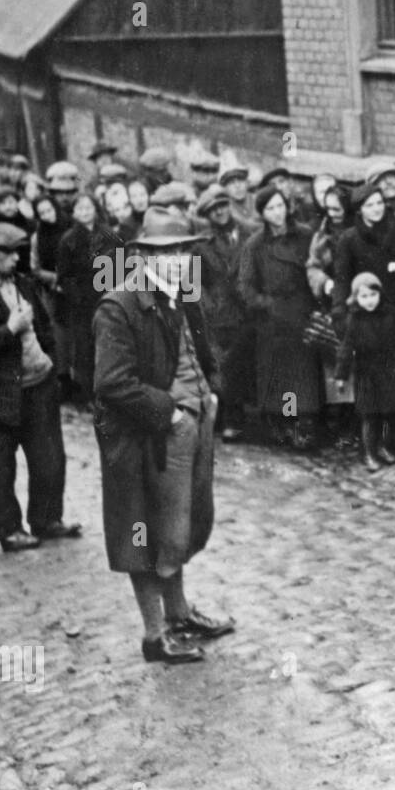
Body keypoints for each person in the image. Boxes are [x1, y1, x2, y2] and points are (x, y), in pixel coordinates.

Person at [93, 208, 234, 664]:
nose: (174, 260)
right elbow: (112, 383)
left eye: (180, 250)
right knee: (145, 530)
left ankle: (179, 612)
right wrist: (167, 411)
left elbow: (204, 350)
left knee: (183, 522)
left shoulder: (183, 295)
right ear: (143, 256)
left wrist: (211, 391)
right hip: (145, 438)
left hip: (193, 423)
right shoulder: (120, 306)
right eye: (162, 252)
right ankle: (155, 635)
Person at [0, 223, 80, 552]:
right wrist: (9, 329)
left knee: (49, 458)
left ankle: (47, 520)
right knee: (1, 461)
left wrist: (50, 361)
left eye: (17, 252)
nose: (15, 258)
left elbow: (44, 326)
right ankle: (8, 530)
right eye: (8, 253)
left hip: (38, 384)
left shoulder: (23, 283)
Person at [238, 185, 324, 450]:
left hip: (301, 313)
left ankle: (303, 425)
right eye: (270, 208)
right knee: (281, 377)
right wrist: (266, 304)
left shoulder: (305, 236)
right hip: (273, 321)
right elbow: (246, 285)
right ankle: (283, 423)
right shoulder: (255, 244)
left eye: (280, 206)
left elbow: (318, 266)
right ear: (262, 213)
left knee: (303, 375)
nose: (277, 213)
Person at [335, 272, 395, 471]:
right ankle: (368, 452)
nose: (369, 301)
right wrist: (341, 375)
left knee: (388, 413)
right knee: (370, 416)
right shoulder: (354, 319)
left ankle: (383, 447)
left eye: (373, 295)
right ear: (356, 298)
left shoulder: (390, 313)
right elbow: (346, 348)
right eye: (364, 297)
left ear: (380, 294)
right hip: (367, 373)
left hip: (388, 370)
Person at [192, 185, 252, 442]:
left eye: (223, 206)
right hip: (217, 316)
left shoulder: (249, 234)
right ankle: (228, 420)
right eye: (213, 210)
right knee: (220, 365)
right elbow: (193, 283)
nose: (220, 213)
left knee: (239, 364)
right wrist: (209, 305)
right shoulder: (201, 245)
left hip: (246, 311)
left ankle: (240, 417)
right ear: (207, 215)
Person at [56, 194, 122, 405]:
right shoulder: (68, 239)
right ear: (74, 213)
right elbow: (64, 276)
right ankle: (90, 394)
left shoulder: (109, 235)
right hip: (82, 303)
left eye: (88, 207)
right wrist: (78, 297)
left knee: (109, 344)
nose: (84, 212)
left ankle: (111, 388)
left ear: (95, 209)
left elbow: (120, 266)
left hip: (108, 296)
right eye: (80, 208)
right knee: (85, 348)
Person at [332, 182, 395, 338]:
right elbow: (342, 278)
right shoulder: (349, 239)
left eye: (379, 203)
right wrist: (339, 313)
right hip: (365, 312)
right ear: (360, 210)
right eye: (369, 205)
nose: (377, 208)